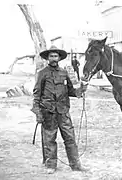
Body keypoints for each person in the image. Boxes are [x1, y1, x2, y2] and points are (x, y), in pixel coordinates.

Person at [31, 45, 88, 174]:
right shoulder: (42, 73)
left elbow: (72, 92)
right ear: (47, 58)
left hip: (63, 112)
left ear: (59, 58)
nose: (53, 58)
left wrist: (82, 89)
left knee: (70, 138)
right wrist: (38, 112)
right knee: (49, 139)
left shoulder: (64, 72)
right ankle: (51, 165)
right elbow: (36, 94)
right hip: (48, 112)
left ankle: (76, 165)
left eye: (56, 56)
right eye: (51, 56)